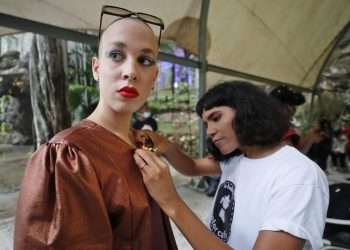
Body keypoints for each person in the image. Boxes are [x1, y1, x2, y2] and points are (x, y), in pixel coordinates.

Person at [14, 5, 177, 250]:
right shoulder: (66, 157)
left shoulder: (143, 142)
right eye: (116, 55)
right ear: (96, 67)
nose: (131, 72)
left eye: (144, 60)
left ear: (154, 76)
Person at [133, 81, 329, 250]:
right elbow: (191, 167)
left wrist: (170, 202)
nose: (210, 131)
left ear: (247, 110)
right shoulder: (239, 158)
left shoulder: (298, 176)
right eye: (206, 124)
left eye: (216, 118)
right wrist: (165, 145)